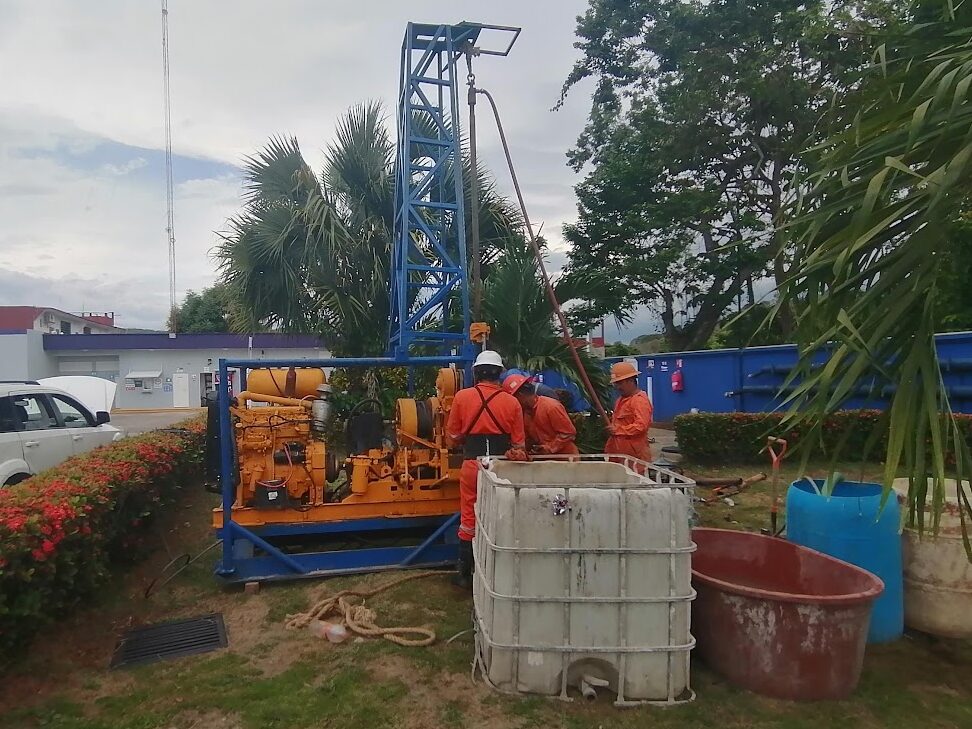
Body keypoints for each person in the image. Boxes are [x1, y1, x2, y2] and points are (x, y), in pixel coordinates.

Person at [446, 350, 527, 588]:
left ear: (476, 373)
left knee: (469, 516)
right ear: (499, 374)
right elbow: (519, 444)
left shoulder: (462, 398)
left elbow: (452, 438)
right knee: (503, 513)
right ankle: (500, 565)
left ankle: (464, 571)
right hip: (502, 467)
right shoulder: (512, 402)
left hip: (473, 463)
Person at [503, 373, 579, 456]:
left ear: (520, 395)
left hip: (566, 460)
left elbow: (568, 433)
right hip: (544, 460)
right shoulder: (524, 413)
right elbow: (527, 439)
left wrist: (549, 448)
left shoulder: (551, 406)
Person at [605, 361, 653, 465]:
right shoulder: (621, 400)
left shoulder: (640, 400)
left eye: (620, 383)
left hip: (635, 456)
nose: (617, 387)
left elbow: (641, 426)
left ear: (630, 380)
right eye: (616, 383)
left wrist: (618, 430)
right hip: (619, 454)